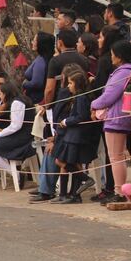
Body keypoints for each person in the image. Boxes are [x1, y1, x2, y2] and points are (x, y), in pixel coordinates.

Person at [29, 64, 85, 203]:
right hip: (63, 134)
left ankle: (49, 190)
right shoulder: (69, 94)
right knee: (55, 155)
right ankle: (52, 189)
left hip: (68, 136)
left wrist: (56, 137)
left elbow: (72, 117)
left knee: (54, 155)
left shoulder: (71, 95)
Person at [90, 40, 131, 205]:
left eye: (113, 53)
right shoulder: (127, 71)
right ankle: (121, 190)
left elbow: (109, 96)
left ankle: (119, 191)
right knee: (119, 155)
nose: (111, 56)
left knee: (116, 156)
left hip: (116, 118)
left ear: (119, 56)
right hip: (123, 116)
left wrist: (93, 104)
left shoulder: (122, 72)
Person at [0, 81, 35, 188]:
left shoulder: (17, 103)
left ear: (7, 93)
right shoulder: (20, 100)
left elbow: (16, 126)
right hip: (23, 134)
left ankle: (16, 175)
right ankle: (15, 174)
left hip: (22, 138)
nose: (0, 96)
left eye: (1, 93)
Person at [52, 71, 96, 204]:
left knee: (64, 161)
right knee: (70, 163)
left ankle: (85, 179)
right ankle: (73, 194)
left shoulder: (81, 97)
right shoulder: (77, 97)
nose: (69, 86)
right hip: (72, 135)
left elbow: (81, 116)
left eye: (71, 83)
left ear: (77, 84)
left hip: (75, 136)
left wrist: (66, 121)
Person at [42, 30, 88, 105]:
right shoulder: (84, 59)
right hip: (80, 101)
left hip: (59, 103)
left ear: (60, 42)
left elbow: (49, 89)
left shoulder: (55, 61)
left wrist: (47, 105)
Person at [22, 32, 54, 104]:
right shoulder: (44, 58)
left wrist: (24, 84)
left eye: (34, 41)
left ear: (41, 44)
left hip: (36, 100)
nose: (32, 42)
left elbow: (36, 83)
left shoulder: (41, 61)